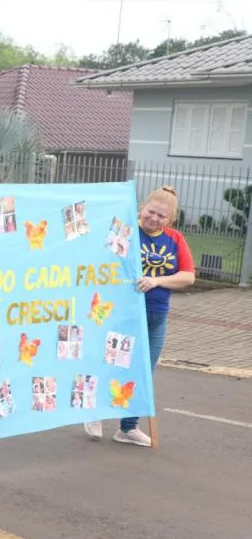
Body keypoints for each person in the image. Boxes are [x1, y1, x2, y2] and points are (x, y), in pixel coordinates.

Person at [85, 185, 195, 447]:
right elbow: (101, 262)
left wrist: (157, 281)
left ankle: (128, 427)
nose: (154, 219)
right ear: (142, 208)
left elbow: (188, 276)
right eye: (151, 212)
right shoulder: (126, 231)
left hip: (157, 315)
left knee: (143, 371)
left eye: (161, 216)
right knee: (113, 363)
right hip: (123, 314)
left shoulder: (175, 239)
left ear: (171, 220)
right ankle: (95, 413)